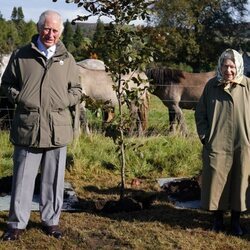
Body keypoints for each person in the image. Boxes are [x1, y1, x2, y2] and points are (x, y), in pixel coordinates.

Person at [1, 10, 82, 241]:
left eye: (55, 30)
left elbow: (76, 89)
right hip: (29, 126)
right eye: (47, 28)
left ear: (60, 32)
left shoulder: (67, 58)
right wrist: (21, 98)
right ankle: (17, 223)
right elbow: (6, 84)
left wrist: (64, 101)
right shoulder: (21, 55)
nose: (51, 34)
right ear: (38, 28)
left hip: (58, 128)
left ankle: (51, 221)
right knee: (23, 177)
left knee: (54, 178)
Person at [195, 49, 250, 236]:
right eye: (225, 66)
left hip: (243, 144)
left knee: (240, 180)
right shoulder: (212, 85)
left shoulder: (248, 86)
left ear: (238, 67)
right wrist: (204, 135)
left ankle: (236, 222)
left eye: (232, 66)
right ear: (220, 66)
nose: (229, 70)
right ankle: (217, 220)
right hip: (216, 143)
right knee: (216, 181)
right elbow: (200, 113)